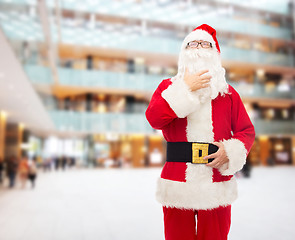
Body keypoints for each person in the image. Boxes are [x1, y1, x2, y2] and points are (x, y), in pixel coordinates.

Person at [145, 24, 255, 240]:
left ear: (215, 53)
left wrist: (230, 151)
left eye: (205, 44)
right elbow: (154, 119)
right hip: (178, 181)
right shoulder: (168, 87)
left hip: (215, 180)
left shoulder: (228, 93)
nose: (198, 48)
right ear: (183, 52)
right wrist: (184, 89)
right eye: (192, 43)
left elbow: (246, 130)